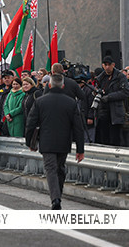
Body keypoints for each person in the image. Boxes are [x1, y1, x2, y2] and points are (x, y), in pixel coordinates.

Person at [25, 73, 85, 209]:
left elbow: (30, 123)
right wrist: (80, 150)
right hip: (64, 142)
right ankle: (58, 194)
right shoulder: (71, 102)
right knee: (60, 168)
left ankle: (55, 198)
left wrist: (30, 142)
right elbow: (78, 128)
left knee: (51, 169)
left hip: (46, 142)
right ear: (63, 86)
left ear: (49, 85)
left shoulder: (40, 101)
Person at [94, 56, 129, 146]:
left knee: (115, 139)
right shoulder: (101, 78)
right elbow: (96, 89)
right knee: (104, 139)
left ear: (113, 65)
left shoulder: (120, 77)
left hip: (115, 113)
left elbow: (125, 92)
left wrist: (109, 97)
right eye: (105, 65)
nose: (107, 67)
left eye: (109, 65)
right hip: (103, 112)